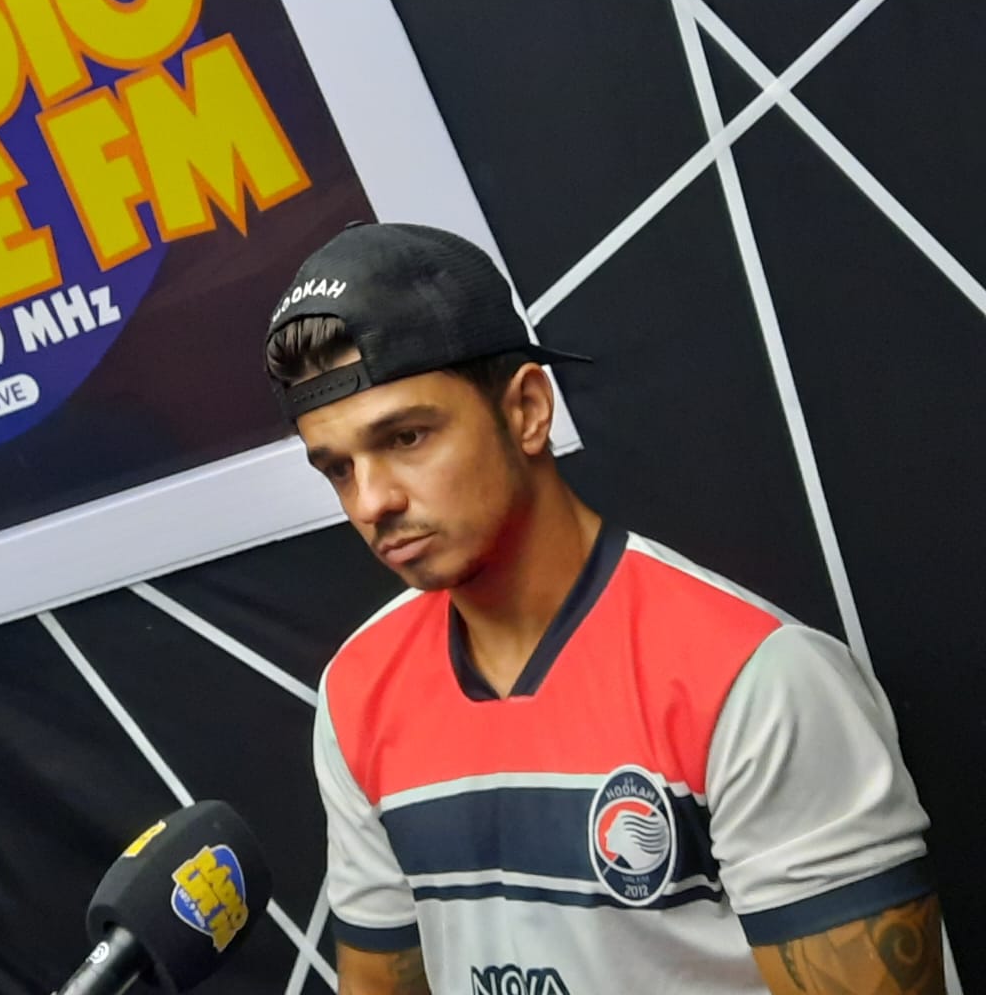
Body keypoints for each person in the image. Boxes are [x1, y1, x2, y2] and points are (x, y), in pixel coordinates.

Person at [262, 222, 942, 995]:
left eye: (407, 437)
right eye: (338, 469)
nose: (371, 501)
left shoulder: (755, 678)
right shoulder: (359, 689)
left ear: (527, 409)